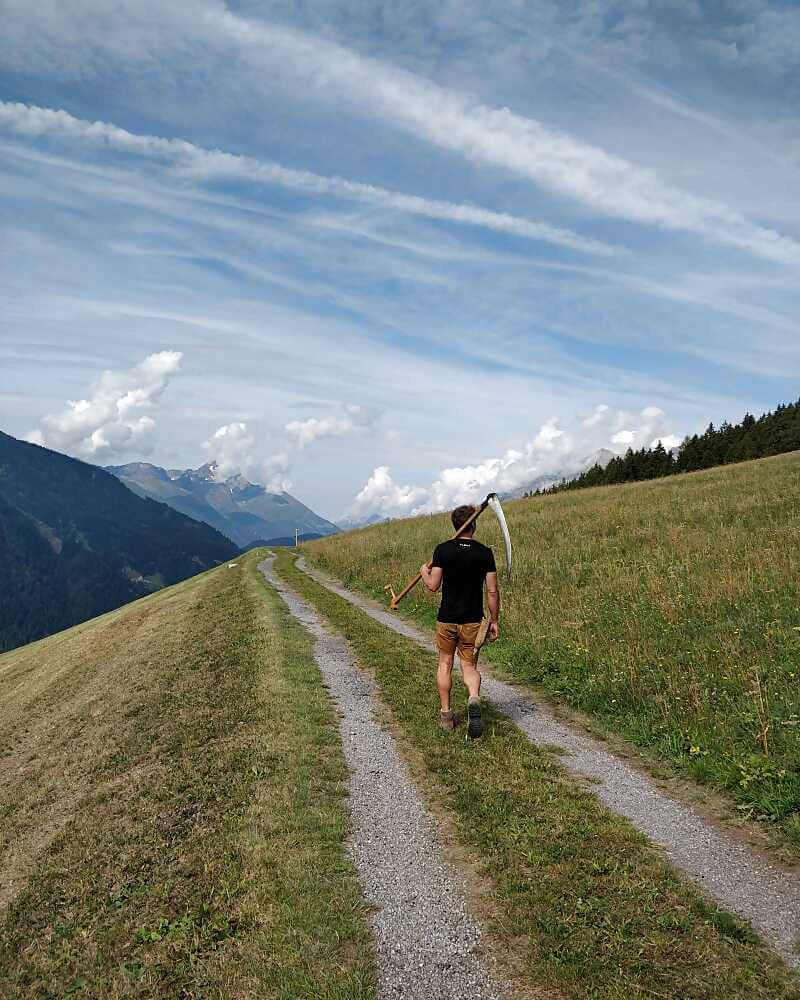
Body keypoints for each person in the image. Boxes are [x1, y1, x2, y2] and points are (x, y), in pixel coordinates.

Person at [419, 504, 500, 738]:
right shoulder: (485, 553)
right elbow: (492, 592)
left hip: (447, 619)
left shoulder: (443, 550)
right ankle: (473, 696)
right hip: (473, 621)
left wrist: (424, 571)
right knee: (469, 667)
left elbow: (433, 586)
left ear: (455, 525)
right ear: (473, 525)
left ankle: (446, 716)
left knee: (445, 663)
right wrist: (494, 620)